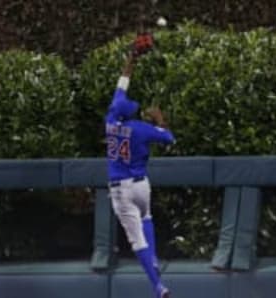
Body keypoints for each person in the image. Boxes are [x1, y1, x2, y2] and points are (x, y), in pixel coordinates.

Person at [105, 33, 175, 298]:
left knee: (137, 241)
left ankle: (158, 286)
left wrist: (131, 58)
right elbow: (169, 139)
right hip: (141, 186)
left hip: (121, 189)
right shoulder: (143, 129)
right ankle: (154, 263)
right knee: (147, 219)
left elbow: (121, 87)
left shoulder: (111, 120)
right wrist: (160, 120)